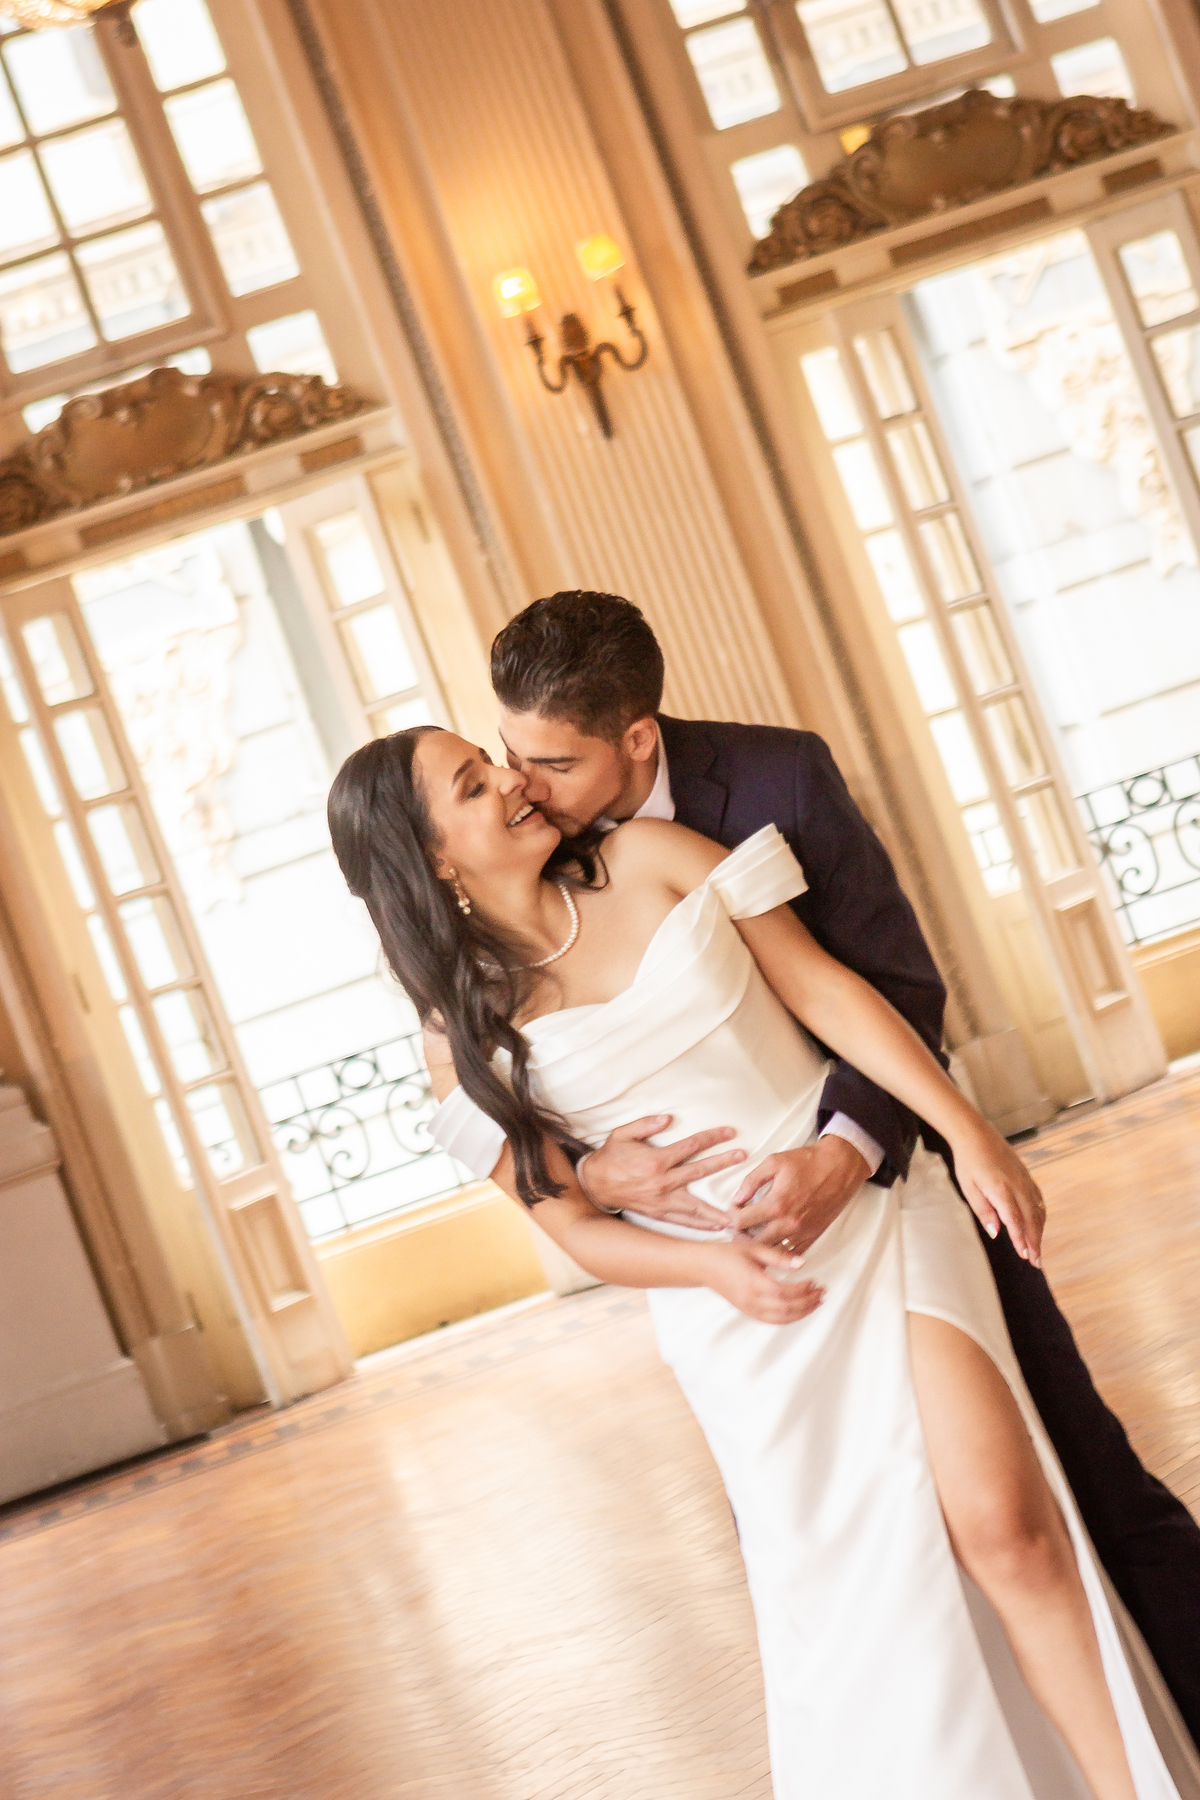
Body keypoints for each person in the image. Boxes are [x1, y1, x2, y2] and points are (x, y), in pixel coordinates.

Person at [328, 722, 1198, 1798]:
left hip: (879, 1216)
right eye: (472, 784)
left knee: (1009, 1528)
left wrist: (966, 1131)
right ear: (431, 859)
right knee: (872, 1608)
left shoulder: (652, 858)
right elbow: (575, 1229)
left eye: (493, 762)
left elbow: (827, 992)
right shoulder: (456, 1041)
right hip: (742, 1313)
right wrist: (714, 1271)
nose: (512, 781)